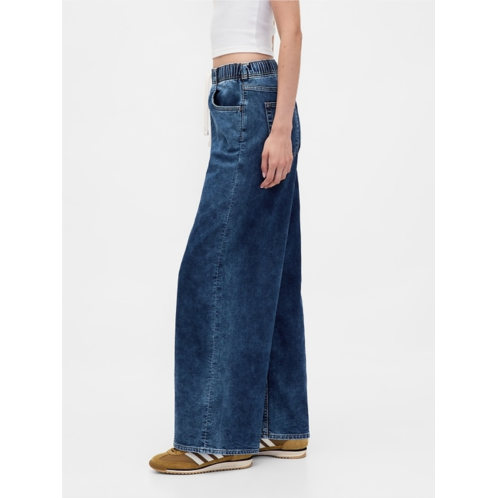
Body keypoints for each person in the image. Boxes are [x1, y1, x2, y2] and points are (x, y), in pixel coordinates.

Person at [149, 0, 310, 475]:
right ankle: (279, 425)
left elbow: (292, 34)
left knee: (209, 272)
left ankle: (215, 437)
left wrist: (279, 130)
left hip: (253, 100)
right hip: (241, 97)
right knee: (270, 273)